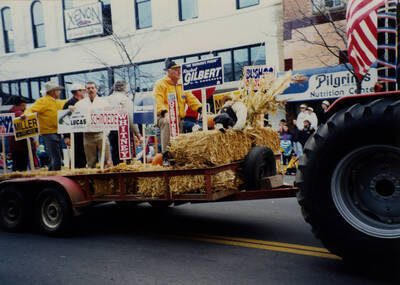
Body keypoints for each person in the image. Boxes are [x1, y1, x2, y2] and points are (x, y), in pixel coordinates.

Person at [153, 58, 202, 154]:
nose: (179, 71)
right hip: (163, 117)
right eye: (176, 69)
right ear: (168, 71)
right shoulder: (160, 84)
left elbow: (191, 99)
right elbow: (158, 101)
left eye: (180, 68)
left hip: (179, 119)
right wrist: (165, 113)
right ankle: (165, 155)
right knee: (168, 123)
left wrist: (201, 109)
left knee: (181, 142)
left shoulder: (182, 84)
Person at [23, 81, 66, 171]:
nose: (59, 92)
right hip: (49, 132)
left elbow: (65, 103)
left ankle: (52, 173)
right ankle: (55, 175)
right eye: (58, 90)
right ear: (53, 91)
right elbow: (31, 109)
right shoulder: (43, 101)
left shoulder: (57, 102)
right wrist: (25, 115)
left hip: (56, 131)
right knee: (56, 157)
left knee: (55, 156)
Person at [74, 82, 111, 168]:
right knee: (91, 161)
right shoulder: (80, 104)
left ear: (96, 89)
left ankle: (109, 179)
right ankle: (93, 180)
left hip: (101, 133)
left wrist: (107, 132)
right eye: (88, 88)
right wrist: (71, 109)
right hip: (87, 135)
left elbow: (109, 116)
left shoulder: (104, 102)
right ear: (85, 90)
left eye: (92, 88)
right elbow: (74, 115)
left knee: (106, 160)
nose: (91, 90)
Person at [107, 80, 140, 165]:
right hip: (123, 130)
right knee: (124, 155)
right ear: (125, 88)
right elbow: (131, 117)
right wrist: (137, 133)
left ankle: (116, 171)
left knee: (114, 153)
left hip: (110, 130)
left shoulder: (107, 99)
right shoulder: (126, 100)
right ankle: (124, 173)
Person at [63, 83, 87, 168]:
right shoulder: (69, 103)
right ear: (77, 92)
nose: (85, 92)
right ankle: (77, 168)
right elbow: (64, 121)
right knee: (77, 153)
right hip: (74, 133)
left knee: (84, 153)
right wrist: (66, 136)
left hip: (83, 132)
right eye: (83, 90)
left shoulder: (84, 102)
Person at [8, 97, 31, 171]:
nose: (26, 107)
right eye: (25, 106)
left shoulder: (10, 112)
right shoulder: (20, 114)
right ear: (22, 104)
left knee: (16, 165)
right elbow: (27, 128)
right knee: (22, 165)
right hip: (21, 143)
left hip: (12, 143)